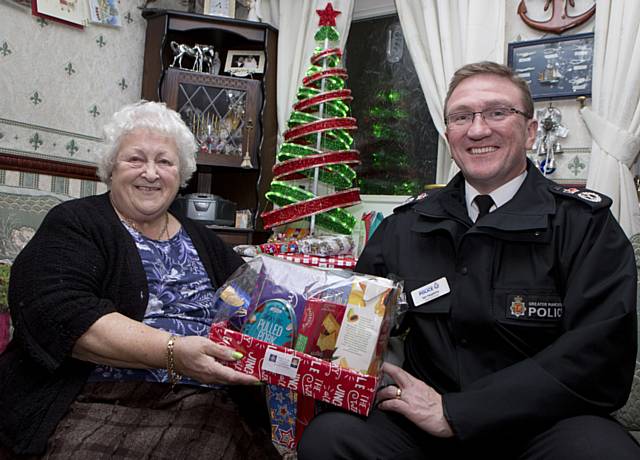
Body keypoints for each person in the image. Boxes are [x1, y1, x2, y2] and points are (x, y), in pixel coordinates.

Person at [298, 61, 640, 459]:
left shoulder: (584, 226)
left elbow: (600, 357)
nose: (478, 129)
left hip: (542, 425)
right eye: (462, 117)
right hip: (422, 422)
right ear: (449, 136)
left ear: (530, 131)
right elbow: (354, 328)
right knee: (331, 438)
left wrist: (457, 412)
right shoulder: (405, 226)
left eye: (497, 112)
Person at [0, 101, 279, 459]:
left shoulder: (206, 241)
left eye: (164, 161)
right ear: (110, 169)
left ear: (180, 173)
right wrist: (175, 353)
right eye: (135, 159)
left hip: (204, 402)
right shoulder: (75, 223)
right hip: (91, 399)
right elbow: (59, 312)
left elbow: (258, 308)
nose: (150, 173)